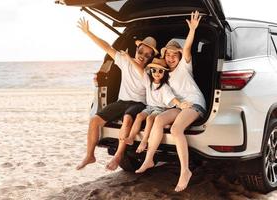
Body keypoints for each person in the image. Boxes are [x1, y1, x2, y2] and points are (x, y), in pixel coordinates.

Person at [135, 11, 206, 192]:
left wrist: (192, 30)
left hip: (194, 104)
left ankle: (185, 171)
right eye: (168, 54)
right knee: (158, 120)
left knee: (175, 129)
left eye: (175, 54)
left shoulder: (184, 66)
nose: (171, 57)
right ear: (164, 56)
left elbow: (188, 47)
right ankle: (149, 158)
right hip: (179, 106)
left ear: (180, 56)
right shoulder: (163, 74)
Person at [75, 17, 159, 170]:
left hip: (139, 103)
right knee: (94, 120)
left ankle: (118, 155)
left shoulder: (149, 70)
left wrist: (129, 59)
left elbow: (141, 73)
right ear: (137, 49)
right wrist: (89, 33)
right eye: (141, 52)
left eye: (148, 55)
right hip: (122, 101)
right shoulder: (125, 61)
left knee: (127, 119)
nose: (143, 56)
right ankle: (89, 155)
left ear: (151, 58)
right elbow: (107, 47)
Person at [123, 57, 181, 153]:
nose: (157, 73)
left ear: (164, 73)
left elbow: (172, 98)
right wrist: (129, 58)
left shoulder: (165, 87)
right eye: (154, 70)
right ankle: (131, 137)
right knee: (139, 116)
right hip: (149, 107)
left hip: (160, 109)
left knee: (150, 119)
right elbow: (139, 69)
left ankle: (144, 141)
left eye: (160, 71)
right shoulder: (148, 82)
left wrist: (180, 104)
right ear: (151, 71)